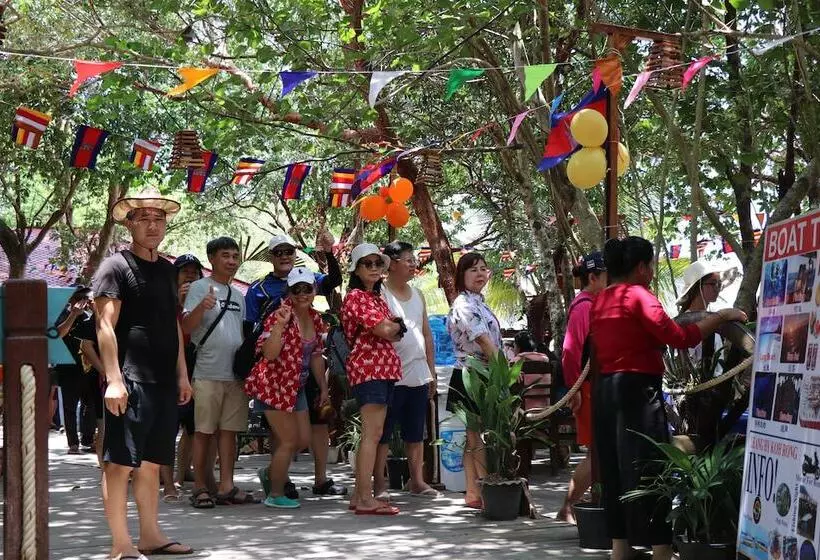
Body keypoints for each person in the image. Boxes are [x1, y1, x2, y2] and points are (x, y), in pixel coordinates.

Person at [590, 236, 747, 560]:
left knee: (614, 466)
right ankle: (661, 549)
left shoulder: (602, 298)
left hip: (606, 391)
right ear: (640, 267)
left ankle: (620, 547)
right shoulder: (639, 296)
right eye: (651, 266)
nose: (652, 272)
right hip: (636, 391)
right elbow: (680, 337)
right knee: (651, 466)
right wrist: (720, 317)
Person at [92, 188, 193, 558]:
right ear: (129, 224)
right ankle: (121, 544)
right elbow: (104, 326)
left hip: (164, 381)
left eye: (158, 219)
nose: (153, 226)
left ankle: (150, 536)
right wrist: (114, 379)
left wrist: (182, 375)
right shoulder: (114, 267)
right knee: (120, 464)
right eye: (144, 219)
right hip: (129, 380)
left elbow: (173, 325)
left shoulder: (167, 270)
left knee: (151, 463)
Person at [245, 232, 346, 499]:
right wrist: (278, 327)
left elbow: (315, 354)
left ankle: (287, 475)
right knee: (286, 439)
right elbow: (259, 343)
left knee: (302, 438)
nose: (302, 294)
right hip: (274, 382)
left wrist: (329, 253)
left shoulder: (315, 314)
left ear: (314, 290)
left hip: (300, 382)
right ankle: (278, 489)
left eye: (288, 251)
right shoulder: (262, 293)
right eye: (278, 252)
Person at [182, 237, 257, 508]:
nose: (232, 261)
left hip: (234, 376)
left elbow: (240, 334)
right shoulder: (198, 288)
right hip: (206, 372)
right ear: (211, 259)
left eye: (235, 256)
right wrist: (201, 307)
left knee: (229, 432)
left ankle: (226, 486)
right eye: (225, 255)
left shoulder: (238, 295)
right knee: (203, 432)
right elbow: (186, 327)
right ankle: (200, 487)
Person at [373, 241, 439, 498]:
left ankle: (417, 481)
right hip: (390, 374)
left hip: (418, 373)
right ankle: (380, 484)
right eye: (408, 260)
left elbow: (426, 334)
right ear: (391, 264)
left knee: (416, 432)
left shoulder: (419, 294)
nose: (414, 264)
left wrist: (431, 371)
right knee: (383, 433)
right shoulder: (380, 294)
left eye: (414, 259)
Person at [342, 243, 403, 515]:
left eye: (378, 263)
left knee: (374, 434)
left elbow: (394, 332)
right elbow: (387, 329)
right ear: (356, 269)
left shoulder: (376, 297)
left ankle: (359, 496)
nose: (375, 268)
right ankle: (366, 499)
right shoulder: (356, 297)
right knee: (372, 434)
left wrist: (393, 328)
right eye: (368, 263)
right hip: (370, 370)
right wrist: (393, 326)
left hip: (383, 370)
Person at [445, 252, 503, 509]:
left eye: (483, 268)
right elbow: (483, 340)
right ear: (462, 275)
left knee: (473, 435)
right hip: (472, 375)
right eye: (473, 269)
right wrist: (503, 373)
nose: (480, 274)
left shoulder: (479, 302)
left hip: (483, 374)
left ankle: (472, 492)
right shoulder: (464, 304)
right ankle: (489, 489)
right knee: (476, 436)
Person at [556, 251, 607, 524]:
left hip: (594, 384)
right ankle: (569, 506)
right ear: (593, 277)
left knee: (599, 450)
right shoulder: (584, 306)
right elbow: (570, 350)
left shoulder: (594, 304)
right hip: (587, 386)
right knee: (596, 451)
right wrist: (573, 388)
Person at [159, 254, 211, 503]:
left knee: (193, 428)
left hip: (198, 369)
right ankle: (168, 484)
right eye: (184, 271)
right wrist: (178, 304)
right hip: (170, 371)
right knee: (168, 429)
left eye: (194, 271)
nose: (190, 275)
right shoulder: (164, 301)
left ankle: (181, 475)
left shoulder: (206, 300)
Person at [54, 286, 99, 454]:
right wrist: (73, 315)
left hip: (88, 367)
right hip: (68, 367)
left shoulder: (88, 317)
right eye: (79, 298)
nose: (82, 302)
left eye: (85, 299)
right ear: (71, 300)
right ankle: (73, 443)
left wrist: (95, 311)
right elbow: (59, 334)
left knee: (90, 405)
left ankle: (88, 439)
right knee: (69, 407)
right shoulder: (63, 315)